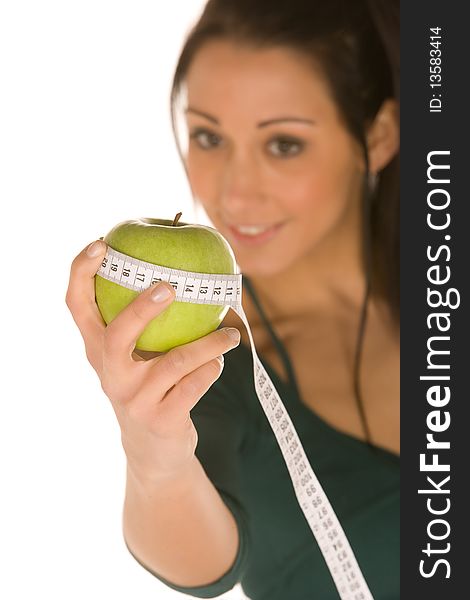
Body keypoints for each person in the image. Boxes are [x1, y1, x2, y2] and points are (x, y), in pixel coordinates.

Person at [66, 0, 400, 598]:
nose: (236, 193)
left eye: (283, 145)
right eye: (208, 136)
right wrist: (153, 449)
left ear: (376, 138)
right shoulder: (212, 358)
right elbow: (200, 564)